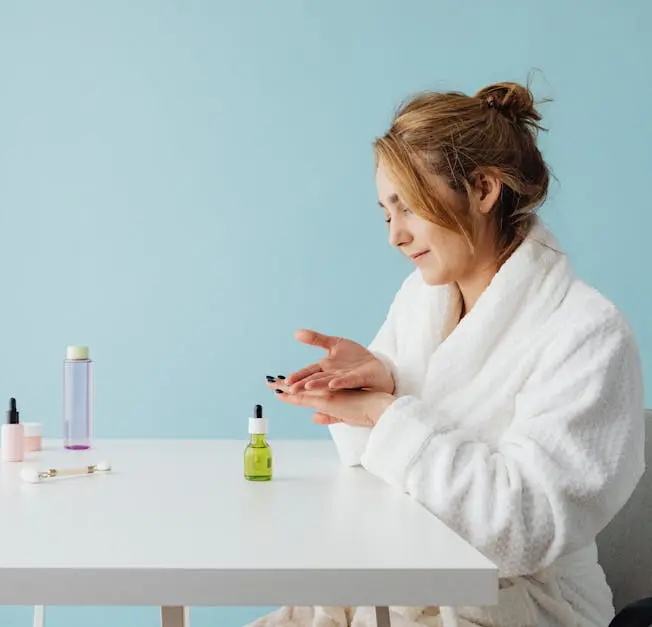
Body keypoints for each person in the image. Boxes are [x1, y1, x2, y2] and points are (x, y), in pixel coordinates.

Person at [251, 81, 646, 627]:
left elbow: (526, 527)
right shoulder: (422, 300)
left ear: (483, 189)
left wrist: (385, 412)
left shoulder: (587, 333)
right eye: (385, 213)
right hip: (392, 580)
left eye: (407, 207)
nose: (394, 235)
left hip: (518, 607)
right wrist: (373, 382)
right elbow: (376, 461)